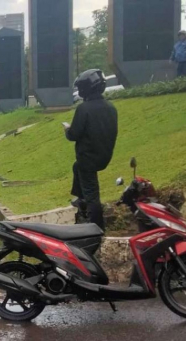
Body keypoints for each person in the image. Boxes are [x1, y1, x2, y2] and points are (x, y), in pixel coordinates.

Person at [65, 69, 118, 230]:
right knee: (76, 167)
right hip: (104, 155)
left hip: (88, 158)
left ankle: (96, 229)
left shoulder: (84, 109)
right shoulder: (110, 107)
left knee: (92, 195)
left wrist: (67, 130)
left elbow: (74, 135)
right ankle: (80, 200)